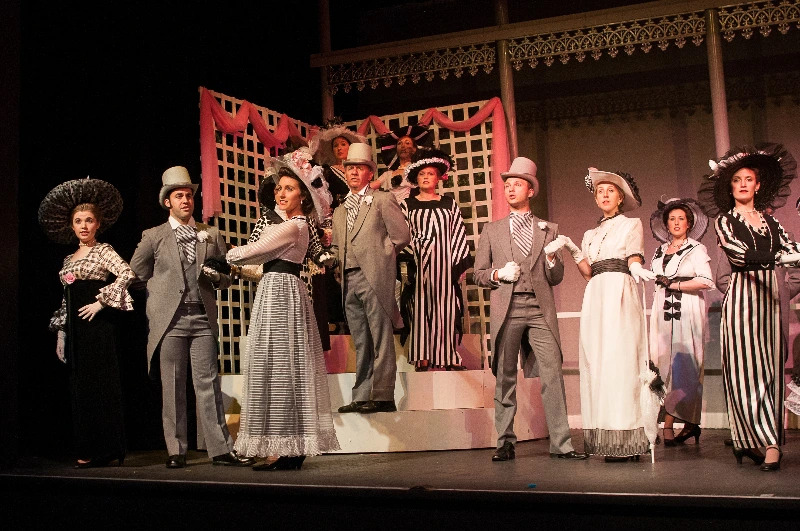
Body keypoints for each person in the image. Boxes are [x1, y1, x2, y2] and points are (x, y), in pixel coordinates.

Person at [129, 166, 254, 469]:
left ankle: (220, 449)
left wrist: (216, 276)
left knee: (208, 384)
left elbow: (226, 277)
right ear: (167, 202)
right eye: (179, 196)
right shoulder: (154, 236)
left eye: (188, 195)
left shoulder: (210, 234)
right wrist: (161, 293)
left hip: (201, 317)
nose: (185, 200)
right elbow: (135, 274)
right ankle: (176, 450)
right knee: (172, 386)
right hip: (170, 321)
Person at [227, 151, 340, 471]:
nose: (281, 193)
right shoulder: (288, 224)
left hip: (282, 292)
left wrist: (225, 255)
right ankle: (286, 446)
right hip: (275, 288)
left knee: (281, 368)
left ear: (303, 196)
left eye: (289, 188)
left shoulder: (296, 225)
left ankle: (285, 447)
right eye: (279, 188)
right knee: (277, 368)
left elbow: (253, 251)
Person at [473, 157, 587, 462]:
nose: (510, 189)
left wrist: (551, 259)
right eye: (507, 185)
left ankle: (562, 444)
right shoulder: (492, 230)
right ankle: (504, 441)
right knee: (505, 375)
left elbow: (556, 277)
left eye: (517, 184)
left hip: (539, 310)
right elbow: (478, 274)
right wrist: (498, 274)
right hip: (507, 309)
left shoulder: (549, 229)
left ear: (531, 190)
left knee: (552, 374)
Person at [696, 143, 800, 471]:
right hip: (743, 300)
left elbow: (791, 248)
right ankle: (756, 441)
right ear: (730, 188)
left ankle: (766, 440)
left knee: (770, 371)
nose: (742, 184)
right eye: (737, 180)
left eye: (748, 179)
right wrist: (782, 256)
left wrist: (793, 253)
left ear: (758, 185)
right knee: (744, 373)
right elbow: (740, 256)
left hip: (771, 300)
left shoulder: (772, 223)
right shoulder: (726, 221)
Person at [560, 168, 656, 462]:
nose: (604, 195)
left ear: (620, 198)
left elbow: (633, 256)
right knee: (598, 361)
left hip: (619, 291)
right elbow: (588, 273)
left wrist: (636, 267)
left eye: (610, 191)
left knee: (621, 360)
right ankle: (607, 438)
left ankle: (628, 438)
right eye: (600, 191)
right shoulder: (590, 234)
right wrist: (573, 250)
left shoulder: (630, 224)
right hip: (596, 294)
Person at [39, 178, 133, 468]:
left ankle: (107, 448)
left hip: (98, 326)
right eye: (78, 221)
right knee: (80, 388)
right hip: (76, 329)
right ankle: (87, 447)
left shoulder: (103, 250)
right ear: (72, 225)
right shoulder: (68, 259)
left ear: (97, 224)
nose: (83, 225)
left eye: (89, 220)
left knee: (101, 385)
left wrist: (101, 303)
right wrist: (62, 333)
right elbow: (65, 299)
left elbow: (127, 273)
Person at [326, 143, 411, 414]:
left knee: (380, 335)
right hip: (348, 279)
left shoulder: (382, 200)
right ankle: (362, 394)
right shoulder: (340, 210)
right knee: (361, 339)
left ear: (369, 173)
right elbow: (337, 246)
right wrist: (332, 262)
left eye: (359, 168)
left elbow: (401, 236)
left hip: (374, 275)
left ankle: (383, 395)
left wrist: (382, 257)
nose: (353, 172)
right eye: (350, 167)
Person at [648, 198, 713, 446]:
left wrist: (675, 285)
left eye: (681, 219)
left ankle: (671, 424)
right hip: (662, 310)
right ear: (666, 224)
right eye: (672, 219)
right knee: (660, 363)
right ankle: (681, 424)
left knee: (685, 366)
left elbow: (706, 280)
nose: (676, 223)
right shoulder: (659, 251)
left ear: (689, 223)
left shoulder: (696, 249)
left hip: (687, 309)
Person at [400, 149, 472, 371]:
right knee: (419, 309)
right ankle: (421, 355)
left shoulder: (449, 204)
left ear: (438, 177)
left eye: (430, 173)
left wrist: (458, 265)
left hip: (445, 264)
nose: (426, 177)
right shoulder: (407, 205)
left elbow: (457, 232)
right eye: (422, 174)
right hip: (418, 263)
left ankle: (447, 355)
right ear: (416, 178)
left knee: (446, 310)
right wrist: (409, 259)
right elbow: (402, 234)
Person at [373, 125, 432, 202]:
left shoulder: (419, 171)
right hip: (391, 208)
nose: (403, 146)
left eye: (407, 143)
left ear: (414, 149)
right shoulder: (387, 175)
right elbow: (367, 189)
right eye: (399, 143)